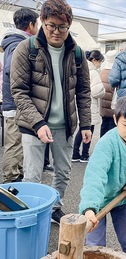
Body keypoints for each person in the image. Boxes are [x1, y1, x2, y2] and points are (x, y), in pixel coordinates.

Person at [10, 0, 92, 224]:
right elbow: (19, 92)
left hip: (64, 125)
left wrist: (86, 124)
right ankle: (31, 213)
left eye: (62, 27)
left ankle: (55, 208)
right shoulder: (27, 49)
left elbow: (84, 91)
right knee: (33, 175)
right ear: (42, 22)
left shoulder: (76, 53)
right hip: (33, 126)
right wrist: (37, 123)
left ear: (69, 25)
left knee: (63, 173)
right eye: (51, 25)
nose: (56, 31)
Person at [79, 95, 126, 258]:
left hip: (121, 199)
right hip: (98, 201)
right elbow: (95, 176)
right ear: (115, 120)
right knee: (95, 245)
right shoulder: (107, 144)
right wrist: (89, 208)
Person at [1, 8, 39, 183]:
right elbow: (11, 69)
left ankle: (15, 174)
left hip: (14, 102)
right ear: (31, 25)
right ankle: (10, 178)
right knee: (15, 143)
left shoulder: (13, 41)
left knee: (16, 142)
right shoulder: (18, 44)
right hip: (16, 103)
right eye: (37, 24)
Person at [72, 49, 105, 162]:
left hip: (82, 103)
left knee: (82, 129)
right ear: (95, 60)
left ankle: (75, 153)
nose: (100, 64)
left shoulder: (82, 68)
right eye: (100, 61)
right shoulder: (94, 72)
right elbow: (97, 91)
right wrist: (103, 91)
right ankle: (84, 154)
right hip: (91, 104)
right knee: (88, 130)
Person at [99, 49, 117, 137]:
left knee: (104, 126)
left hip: (103, 104)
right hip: (112, 106)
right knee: (112, 128)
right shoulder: (115, 72)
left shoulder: (102, 71)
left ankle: (101, 145)